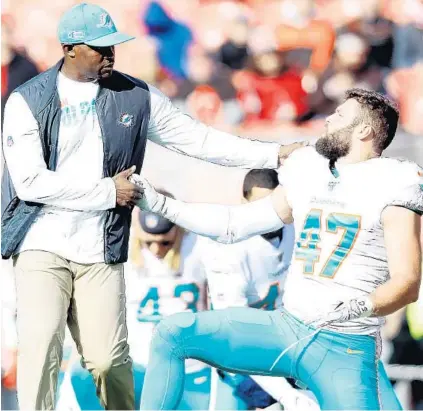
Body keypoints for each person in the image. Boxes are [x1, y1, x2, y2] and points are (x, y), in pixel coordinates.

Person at [1, 3, 302, 410]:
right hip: (40, 241)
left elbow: (200, 141)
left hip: (99, 246)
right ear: (70, 48)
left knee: (108, 362)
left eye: (114, 46)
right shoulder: (26, 101)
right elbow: (31, 183)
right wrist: (110, 192)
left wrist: (274, 154)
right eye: (99, 47)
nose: (110, 54)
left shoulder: (136, 97)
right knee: (41, 349)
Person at [134, 88, 422, 410]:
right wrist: (161, 205)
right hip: (289, 328)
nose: (328, 118)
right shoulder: (310, 173)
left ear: (364, 131)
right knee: (173, 333)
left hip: (344, 344)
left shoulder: (396, 182)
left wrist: (359, 306)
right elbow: (232, 225)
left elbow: (407, 283)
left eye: (340, 115)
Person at [56, 203, 211, 410]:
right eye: (149, 243)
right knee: (83, 375)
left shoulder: (200, 248)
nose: (157, 250)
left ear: (179, 229)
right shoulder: (119, 248)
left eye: (165, 242)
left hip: (189, 369)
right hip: (138, 365)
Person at [203, 169, 318, 411]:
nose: (268, 213)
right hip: (237, 350)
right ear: (244, 204)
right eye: (259, 205)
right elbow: (237, 331)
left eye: (273, 203)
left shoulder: (301, 231)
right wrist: (287, 395)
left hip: (287, 340)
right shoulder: (228, 248)